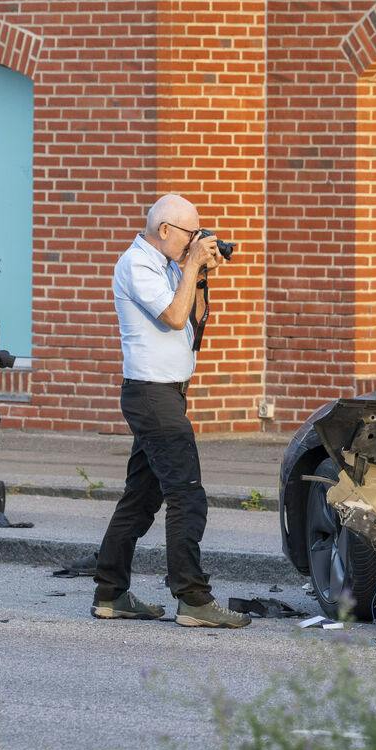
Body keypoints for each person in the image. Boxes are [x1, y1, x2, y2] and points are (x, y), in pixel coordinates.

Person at [91, 194, 249, 629]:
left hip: (168, 394)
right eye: (189, 233)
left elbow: (193, 324)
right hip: (151, 395)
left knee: (141, 499)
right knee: (186, 494)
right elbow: (174, 317)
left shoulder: (166, 264)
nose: (193, 241)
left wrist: (198, 275)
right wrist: (192, 263)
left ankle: (110, 593)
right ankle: (193, 598)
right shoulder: (137, 264)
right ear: (164, 229)